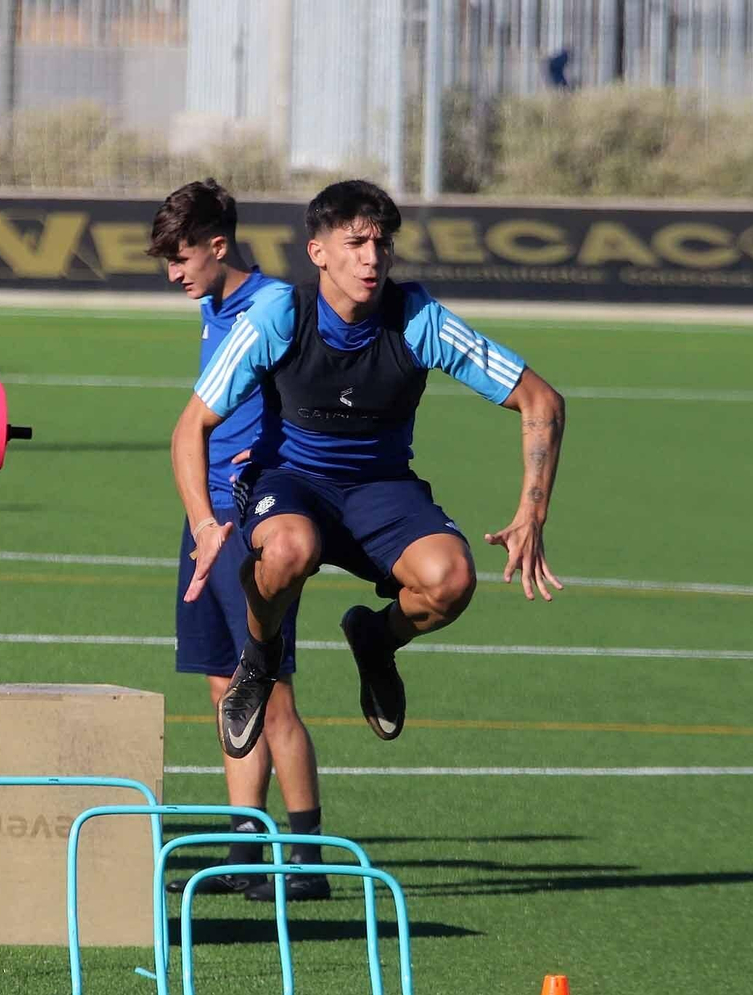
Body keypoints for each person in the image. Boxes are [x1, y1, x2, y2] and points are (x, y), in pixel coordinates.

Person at [174, 179, 566, 747]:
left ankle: (376, 639)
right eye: (355, 243)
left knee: (451, 581)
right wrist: (204, 524)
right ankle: (259, 662)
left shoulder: (418, 318)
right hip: (291, 480)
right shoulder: (280, 313)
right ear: (319, 253)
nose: (372, 258)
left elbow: (541, 400)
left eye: (382, 244)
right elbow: (192, 424)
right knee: (288, 550)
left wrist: (533, 516)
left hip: (380, 485)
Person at [152, 180, 328, 902]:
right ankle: (247, 850)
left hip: (251, 517)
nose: (173, 272)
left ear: (218, 245)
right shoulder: (211, 303)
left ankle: (310, 859)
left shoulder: (273, 305)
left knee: (273, 692)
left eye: (181, 255)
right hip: (205, 515)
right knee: (226, 685)